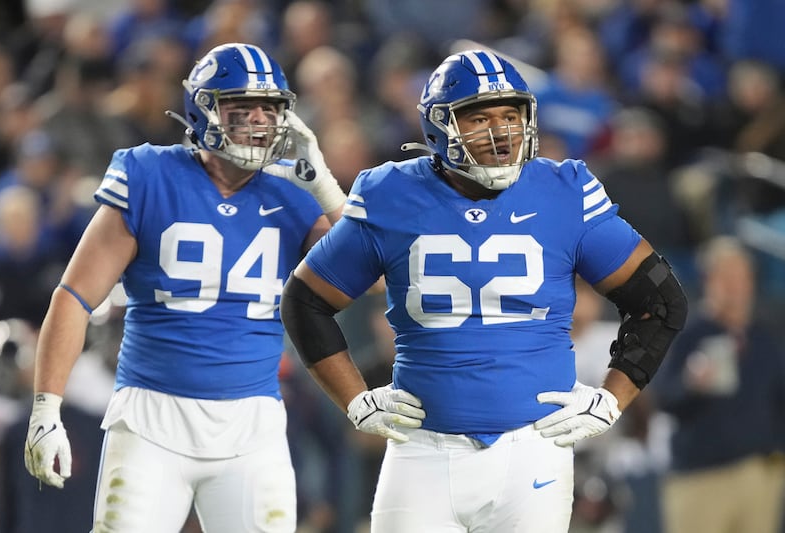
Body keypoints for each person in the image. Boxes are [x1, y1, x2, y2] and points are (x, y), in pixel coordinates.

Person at [279, 49, 688, 532]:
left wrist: (612, 399)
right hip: (421, 452)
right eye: (479, 119)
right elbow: (305, 301)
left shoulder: (564, 190)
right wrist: (355, 400)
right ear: (439, 126)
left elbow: (660, 303)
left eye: (510, 116)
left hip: (534, 451)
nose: (500, 132)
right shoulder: (389, 193)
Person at [22, 42, 346, 533]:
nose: (260, 121)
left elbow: (369, 276)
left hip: (251, 425)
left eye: (270, 108)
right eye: (243, 108)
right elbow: (74, 295)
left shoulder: (293, 190)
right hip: (151, 419)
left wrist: (324, 183)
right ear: (205, 110)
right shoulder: (149, 172)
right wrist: (46, 407)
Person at [652, 235, 785, 533]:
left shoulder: (765, 337)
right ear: (709, 281)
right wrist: (691, 384)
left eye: (742, 277)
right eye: (727, 277)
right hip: (701, 478)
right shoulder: (686, 334)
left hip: (758, 476)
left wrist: (776, 459)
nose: (736, 286)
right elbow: (663, 397)